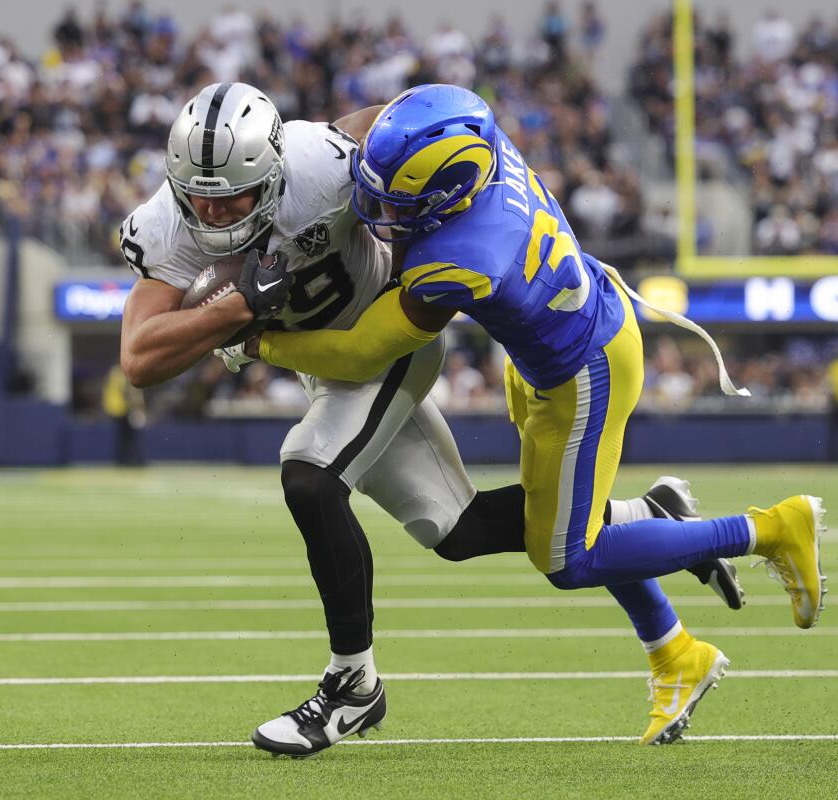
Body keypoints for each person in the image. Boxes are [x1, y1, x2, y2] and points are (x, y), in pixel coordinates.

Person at [121, 82, 744, 757]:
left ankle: (351, 687)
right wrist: (233, 309)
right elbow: (140, 357)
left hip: (383, 343)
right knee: (456, 529)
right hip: (325, 366)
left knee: (309, 475)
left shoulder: (322, 163)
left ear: (271, 171)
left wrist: (254, 320)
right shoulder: (169, 221)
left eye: (231, 195)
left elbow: (401, 126)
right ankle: (649, 518)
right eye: (199, 194)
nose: (212, 210)